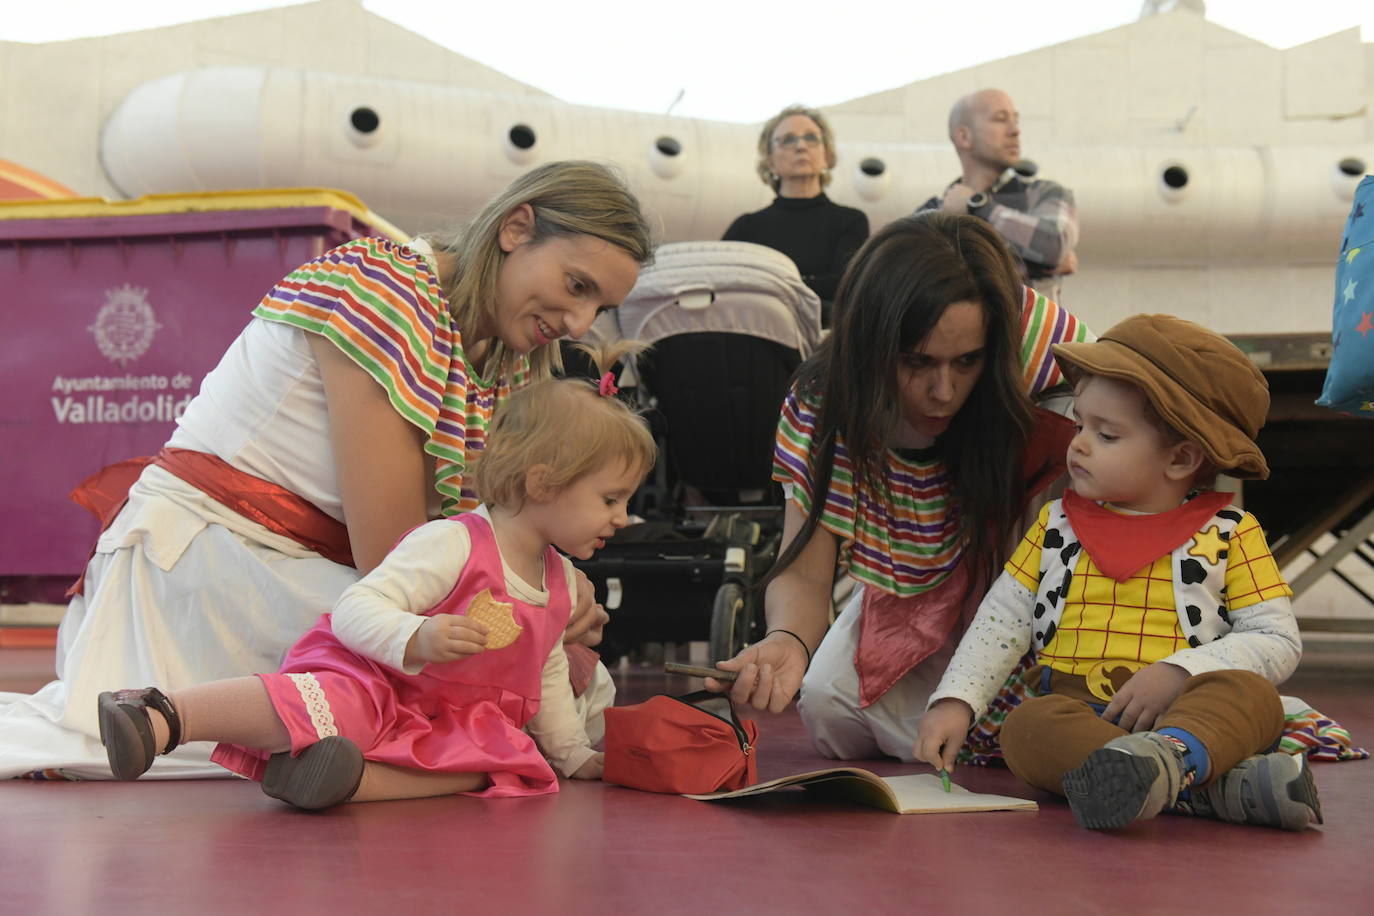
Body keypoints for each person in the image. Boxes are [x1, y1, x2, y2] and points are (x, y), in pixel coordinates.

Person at [0, 160, 653, 780]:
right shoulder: (383, 292)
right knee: (504, 677)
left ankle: (348, 758)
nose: (577, 322)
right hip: (219, 571)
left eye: (598, 308)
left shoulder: (499, 357)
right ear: (517, 228)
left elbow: (488, 535)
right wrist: (528, 614)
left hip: (297, 572)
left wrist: (553, 599)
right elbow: (392, 552)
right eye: (576, 285)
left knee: (562, 679)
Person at [96, 363, 657, 808]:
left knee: (508, 760)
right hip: (382, 682)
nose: (622, 517)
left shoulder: (557, 582)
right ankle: (161, 716)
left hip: (455, 718)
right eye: (611, 499)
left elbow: (546, 671)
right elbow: (356, 608)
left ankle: (344, 780)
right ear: (543, 483)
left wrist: (573, 752)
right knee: (326, 704)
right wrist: (418, 636)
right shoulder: (455, 544)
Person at [914, 314, 1323, 831]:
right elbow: (1002, 619)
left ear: (1180, 459)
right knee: (1025, 729)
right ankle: (1212, 787)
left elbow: (1276, 639)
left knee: (1254, 699)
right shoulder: (1055, 525)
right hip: (1080, 712)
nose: (1078, 443)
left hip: (1188, 708)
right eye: (1080, 424)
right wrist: (956, 701)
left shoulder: (1230, 533)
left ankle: (1167, 761)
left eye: (1105, 435)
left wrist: (1181, 672)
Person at [712, 210, 1091, 761]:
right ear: (872, 347)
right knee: (829, 705)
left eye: (968, 361)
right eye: (918, 362)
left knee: (1090, 424)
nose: (944, 391)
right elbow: (805, 569)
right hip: (921, 582)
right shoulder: (824, 404)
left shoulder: (1043, 343)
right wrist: (788, 641)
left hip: (1035, 572)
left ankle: (1056, 696)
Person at [917, 88, 1078, 301]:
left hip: (1028, 334)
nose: (1015, 131)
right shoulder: (931, 213)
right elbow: (909, 278)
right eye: (1000, 119)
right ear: (964, 136)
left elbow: (1052, 245)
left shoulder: (1045, 193)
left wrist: (976, 204)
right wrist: (1030, 260)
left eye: (1016, 120)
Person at [723, 104, 869, 325]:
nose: (801, 146)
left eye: (811, 138)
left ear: (826, 156)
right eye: (788, 140)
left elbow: (845, 286)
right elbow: (725, 288)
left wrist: (766, 285)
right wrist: (808, 284)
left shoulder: (851, 221)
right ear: (769, 160)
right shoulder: (745, 227)